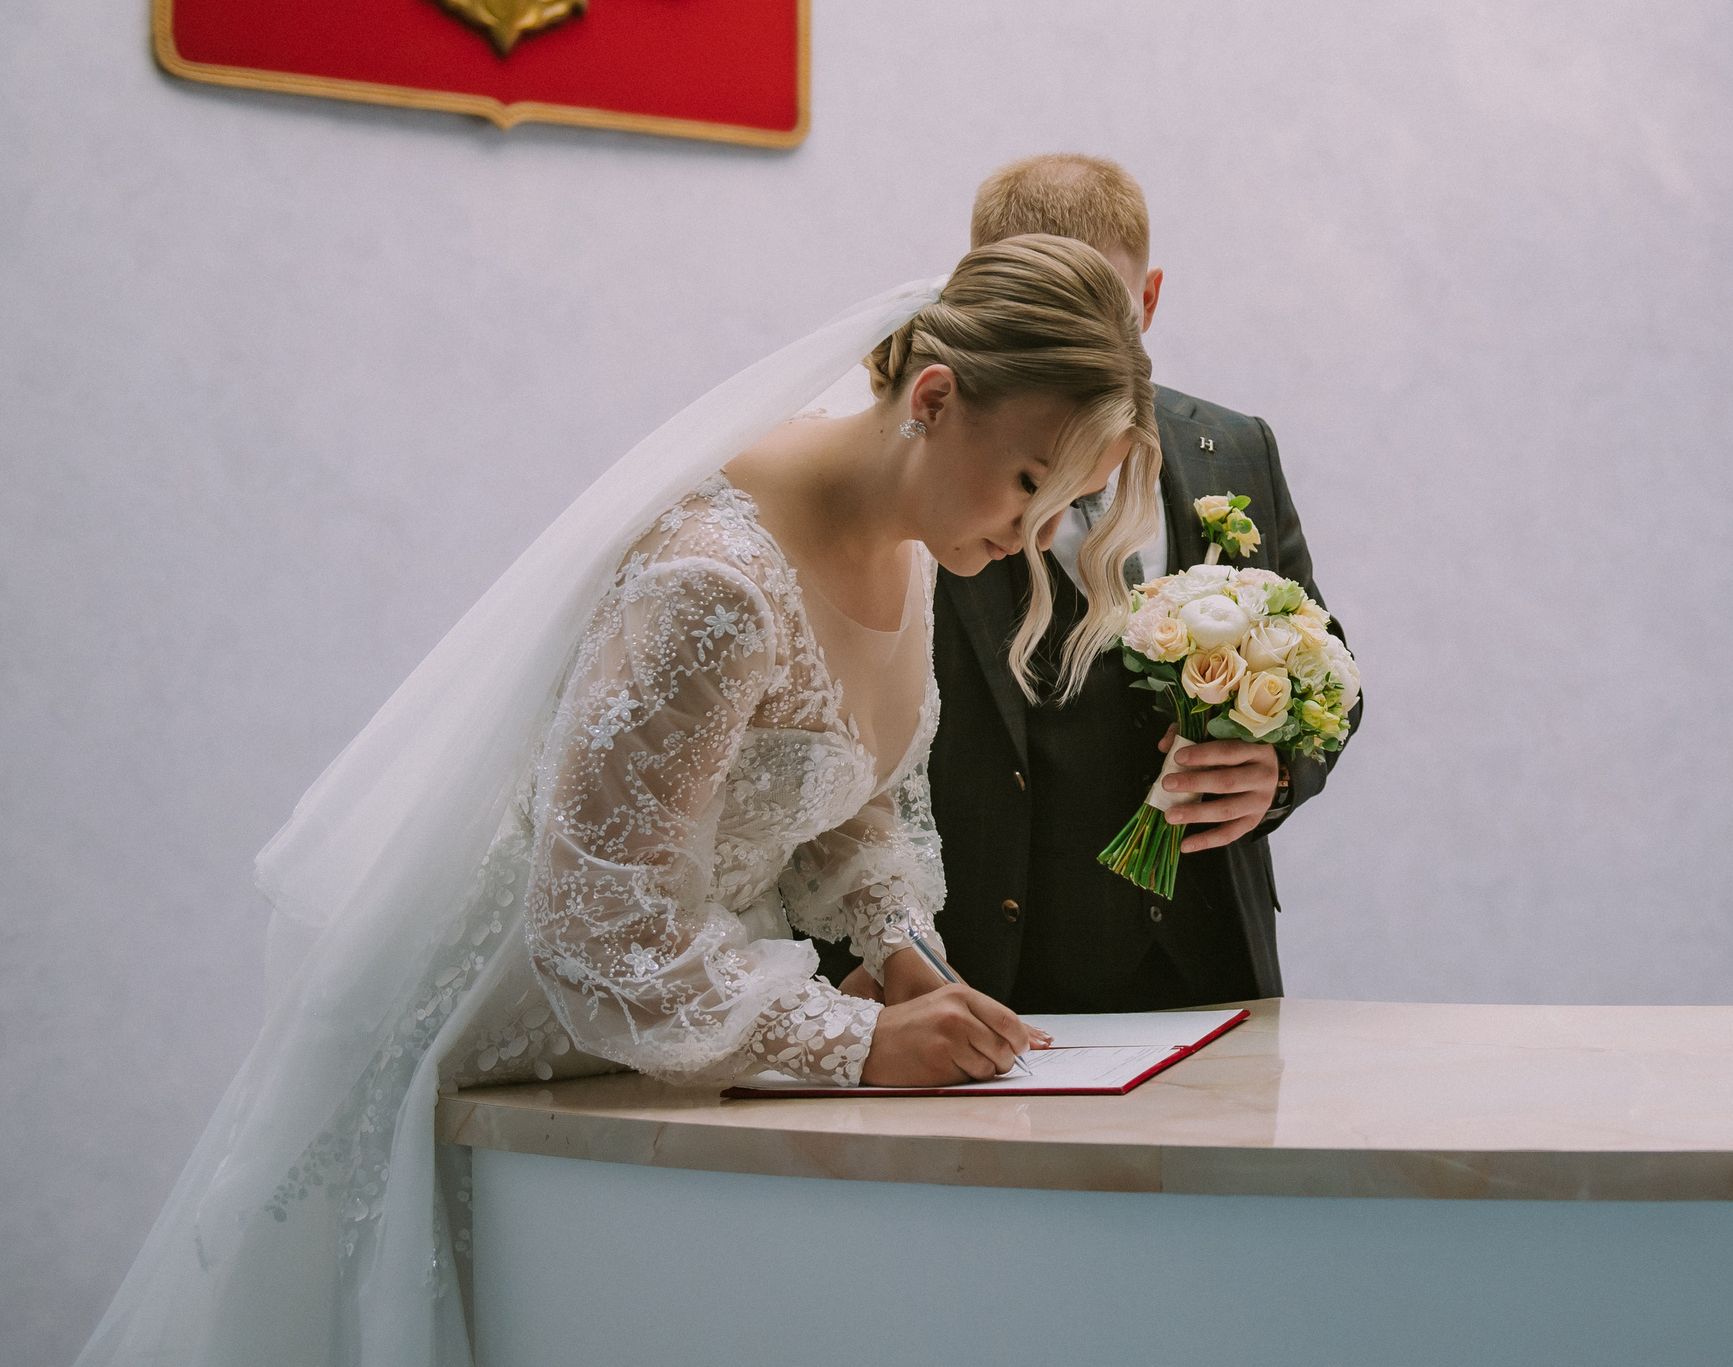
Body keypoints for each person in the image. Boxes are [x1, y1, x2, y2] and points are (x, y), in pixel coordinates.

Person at [79, 237, 1158, 1366]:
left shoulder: (916, 540)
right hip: (537, 1020)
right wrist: (857, 1043)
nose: (1031, 539)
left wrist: (894, 943)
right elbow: (598, 927)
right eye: (1030, 483)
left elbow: (839, 785)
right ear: (932, 397)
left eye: (1063, 507)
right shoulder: (714, 578)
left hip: (677, 1014)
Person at [837, 154, 1359, 1013]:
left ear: (1148, 301)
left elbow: (1327, 662)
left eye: (1100, 305)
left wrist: (1277, 769)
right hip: (966, 973)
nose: (1069, 331)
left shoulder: (1234, 448)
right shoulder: (915, 459)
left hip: (1204, 967)